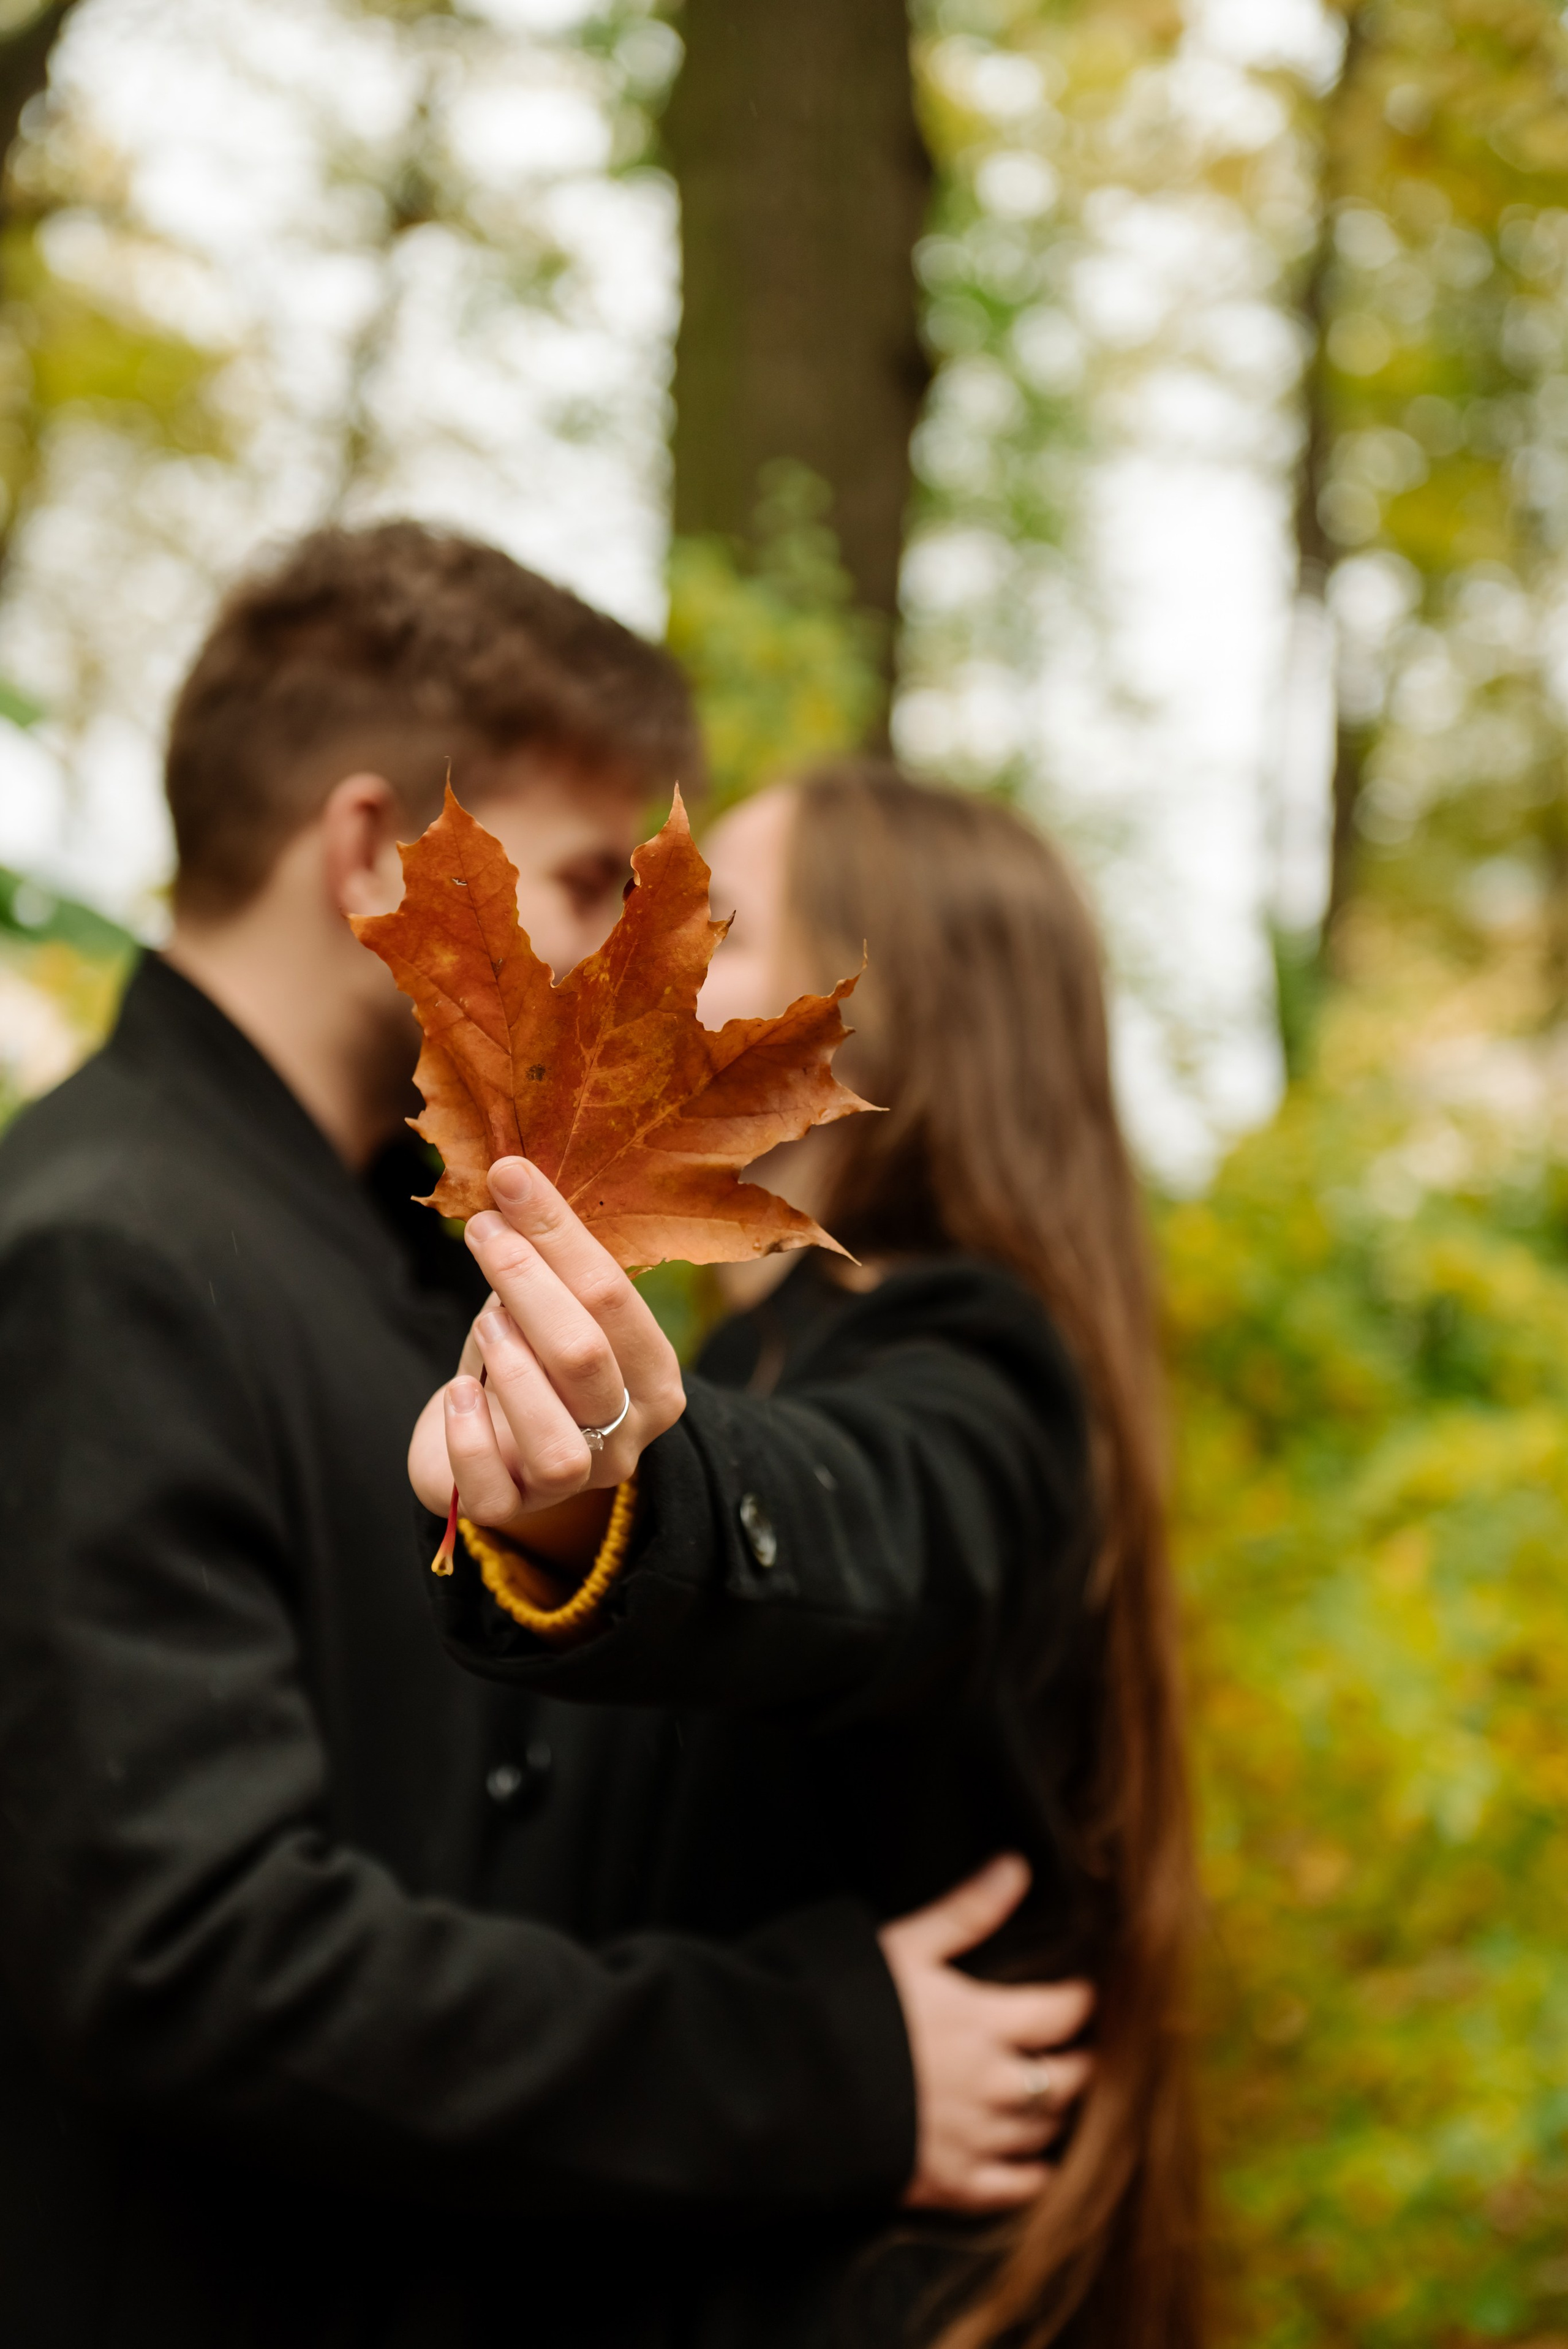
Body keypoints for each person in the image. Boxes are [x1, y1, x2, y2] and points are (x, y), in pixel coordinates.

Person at [0, 534, 1091, 2349]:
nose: (625, 973)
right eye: (591, 882)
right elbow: (186, 1947)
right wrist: (810, 2063)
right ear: (374, 855)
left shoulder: (396, 1250)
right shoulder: (106, 1249)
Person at [410, 761, 1204, 2349]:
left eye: (721, 925)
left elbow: (871, 1514)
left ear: (865, 1017)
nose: (638, 960)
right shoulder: (761, 1352)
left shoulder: (983, 1361)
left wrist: (610, 1486)